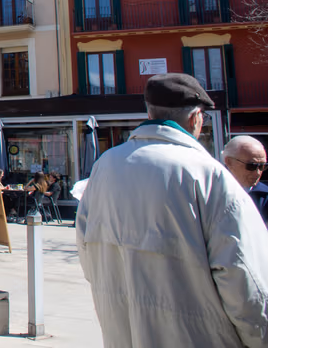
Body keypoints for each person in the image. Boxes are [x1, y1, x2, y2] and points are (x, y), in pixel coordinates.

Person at [77, 73, 267, 347]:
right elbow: (244, 279)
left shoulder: (104, 166)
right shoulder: (207, 174)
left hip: (123, 335)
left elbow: (86, 253)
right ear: (195, 118)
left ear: (150, 111)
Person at [221, 135, 268, 226]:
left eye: (262, 166)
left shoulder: (266, 197)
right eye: (251, 166)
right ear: (229, 162)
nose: (257, 173)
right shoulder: (211, 192)